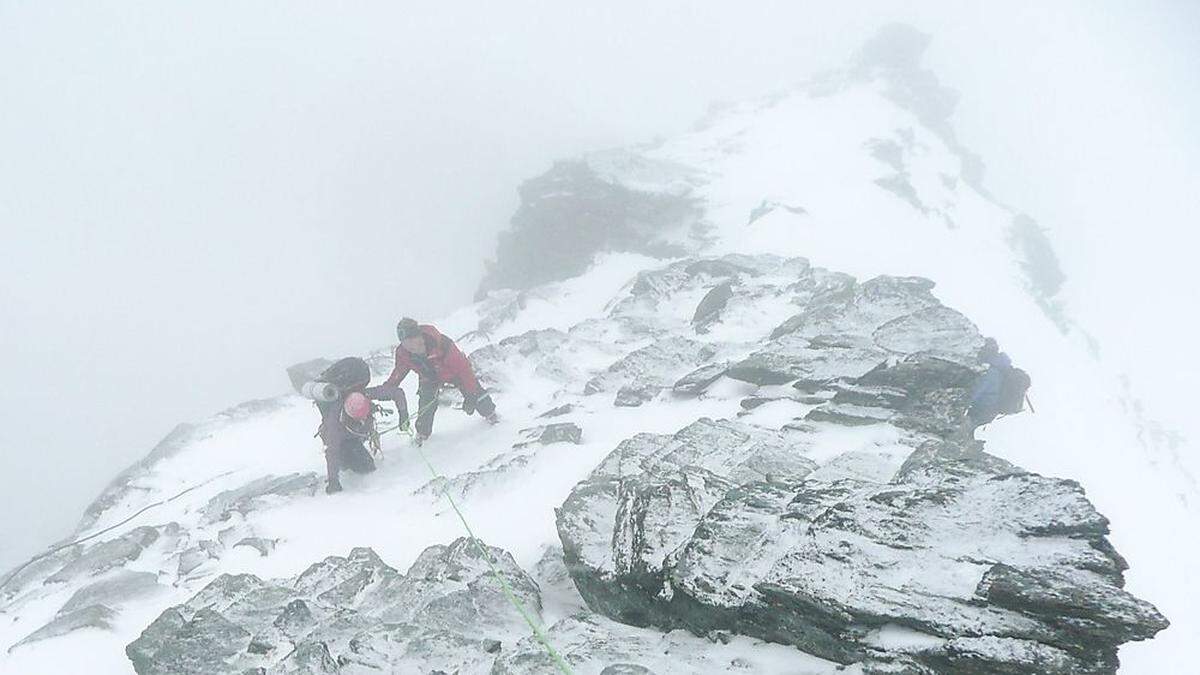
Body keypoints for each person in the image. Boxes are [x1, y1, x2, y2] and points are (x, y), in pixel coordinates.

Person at [369, 317, 497, 444]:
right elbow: (398, 373)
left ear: (418, 336)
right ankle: (422, 433)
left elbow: (464, 370)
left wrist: (471, 395)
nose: (408, 346)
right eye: (404, 342)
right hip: (428, 377)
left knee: (476, 393)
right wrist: (387, 388)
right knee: (426, 403)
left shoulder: (441, 344)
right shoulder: (403, 354)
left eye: (410, 340)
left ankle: (490, 413)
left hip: (452, 373)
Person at [309, 357, 406, 494]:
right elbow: (332, 451)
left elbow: (396, 392)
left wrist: (404, 414)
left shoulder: (365, 394)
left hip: (355, 434)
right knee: (364, 467)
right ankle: (347, 462)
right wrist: (333, 481)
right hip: (344, 441)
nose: (362, 419)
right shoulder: (334, 424)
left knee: (363, 460)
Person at [960, 338, 1030, 439]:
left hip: (981, 411)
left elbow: (974, 393)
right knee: (966, 435)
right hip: (989, 412)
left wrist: (958, 404)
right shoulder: (1002, 368)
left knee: (960, 432)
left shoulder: (991, 373)